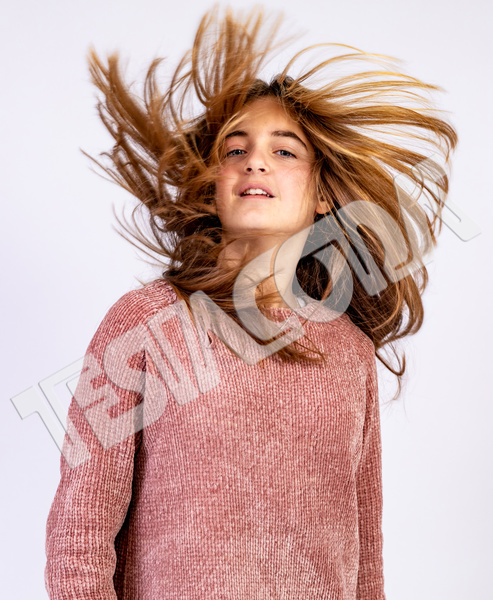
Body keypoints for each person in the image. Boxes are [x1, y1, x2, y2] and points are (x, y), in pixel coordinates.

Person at [45, 7, 457, 600]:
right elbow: (80, 526)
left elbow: (366, 555)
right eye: (235, 150)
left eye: (285, 151)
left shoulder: (350, 352)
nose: (255, 161)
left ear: (322, 195)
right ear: (214, 183)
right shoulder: (147, 322)